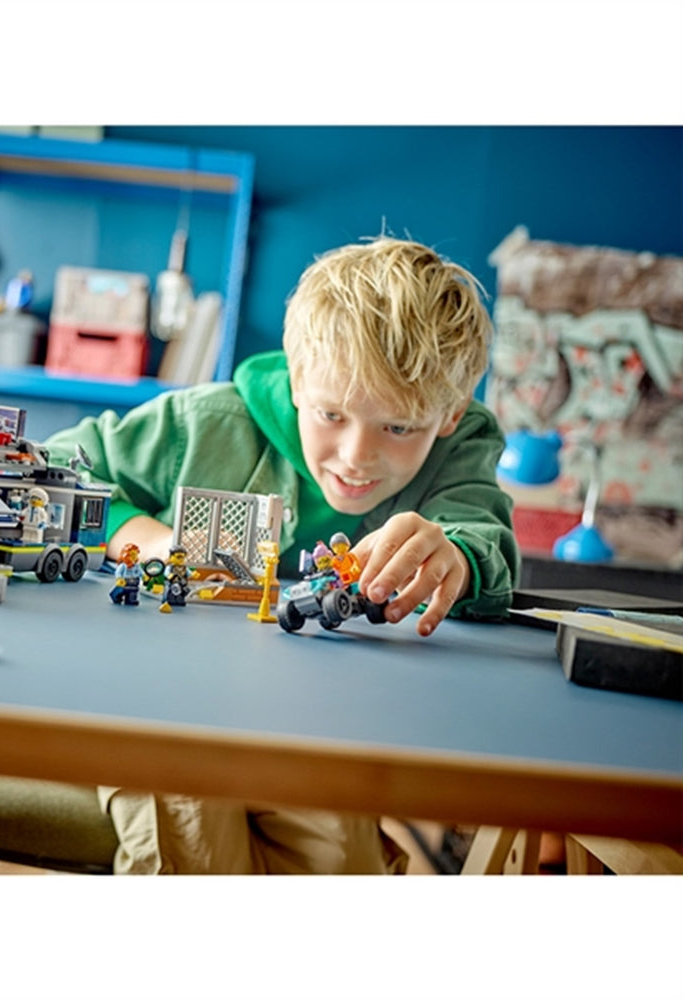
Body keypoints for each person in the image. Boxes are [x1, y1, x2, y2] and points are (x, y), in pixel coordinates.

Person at [44, 237, 520, 874]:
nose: (355, 456)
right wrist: (153, 542)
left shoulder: (459, 451)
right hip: (166, 708)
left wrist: (455, 556)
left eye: (399, 427)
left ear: (451, 414)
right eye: (331, 414)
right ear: (298, 382)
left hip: (320, 730)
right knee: (188, 823)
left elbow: (481, 538)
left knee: (343, 860)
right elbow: (56, 467)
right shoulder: (203, 423)